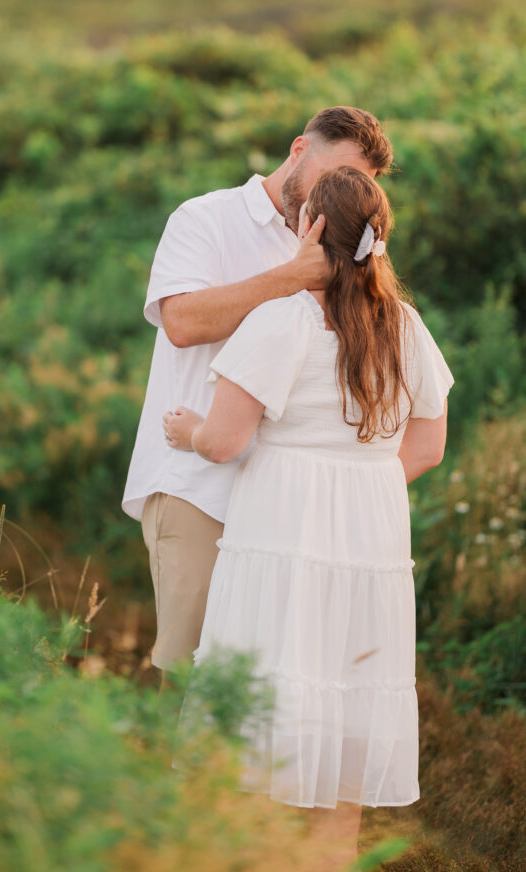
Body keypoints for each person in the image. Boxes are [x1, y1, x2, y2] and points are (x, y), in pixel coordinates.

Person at [163, 166, 453, 866]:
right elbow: (428, 446)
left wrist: (188, 431)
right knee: (345, 690)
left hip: (281, 527)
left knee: (261, 690)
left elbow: (227, 440)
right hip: (370, 533)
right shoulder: (405, 325)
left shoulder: (281, 320)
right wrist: (360, 483)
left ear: (309, 230)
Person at [122, 107, 394, 680]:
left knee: (273, 681)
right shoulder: (205, 218)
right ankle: (179, 774)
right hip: (200, 487)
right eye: (335, 174)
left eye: (359, 185)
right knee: (192, 671)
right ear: (298, 150)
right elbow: (182, 323)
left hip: (290, 508)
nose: (340, 193)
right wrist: (292, 277)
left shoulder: (346, 240)